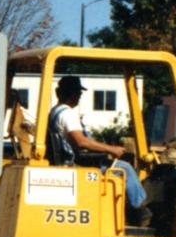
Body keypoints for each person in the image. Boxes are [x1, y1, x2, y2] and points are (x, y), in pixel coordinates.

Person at [48, 74, 147, 214]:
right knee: (125, 168)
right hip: (76, 163)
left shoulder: (55, 111)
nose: (80, 96)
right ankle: (140, 210)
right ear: (74, 93)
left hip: (70, 159)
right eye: (79, 93)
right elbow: (81, 142)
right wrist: (111, 149)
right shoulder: (68, 114)